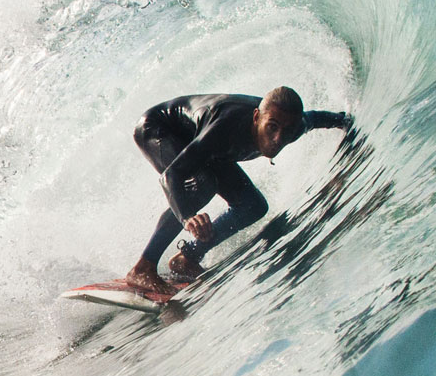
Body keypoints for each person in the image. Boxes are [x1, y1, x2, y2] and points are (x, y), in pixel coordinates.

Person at [125, 86, 354, 296]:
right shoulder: (225, 127)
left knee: (253, 206)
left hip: (204, 145)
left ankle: (188, 258)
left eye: (286, 131)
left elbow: (317, 118)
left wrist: (346, 122)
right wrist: (187, 217)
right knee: (203, 186)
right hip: (158, 129)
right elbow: (170, 176)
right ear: (257, 118)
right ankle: (143, 267)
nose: (278, 139)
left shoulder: (295, 126)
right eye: (271, 127)